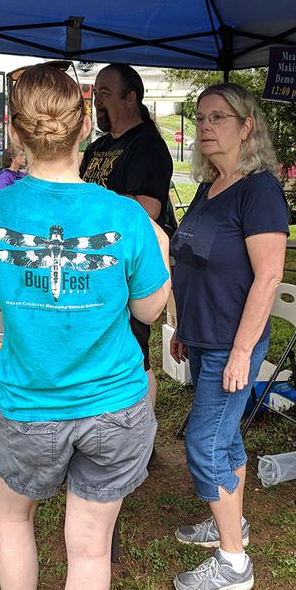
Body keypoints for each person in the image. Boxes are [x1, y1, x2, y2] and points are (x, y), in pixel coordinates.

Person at [0, 63, 171, 590]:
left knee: (14, 521)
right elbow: (152, 312)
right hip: (114, 406)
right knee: (89, 549)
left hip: (29, 404)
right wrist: (162, 253)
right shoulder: (126, 217)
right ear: (83, 127)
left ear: (14, 129)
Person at [168, 83, 288, 590]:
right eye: (200, 119)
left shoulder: (258, 190)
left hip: (232, 343)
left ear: (247, 126)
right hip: (204, 336)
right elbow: (194, 261)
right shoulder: (210, 187)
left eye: (219, 117)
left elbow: (268, 278)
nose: (206, 127)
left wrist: (241, 353)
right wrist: (182, 330)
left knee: (205, 443)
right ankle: (230, 526)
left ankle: (234, 563)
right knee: (227, 437)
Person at [80, 63, 176, 406]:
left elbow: (147, 208)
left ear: (130, 98)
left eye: (104, 93)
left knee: (136, 349)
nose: (96, 102)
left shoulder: (147, 145)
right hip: (92, 262)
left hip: (129, 265)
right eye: (94, 95)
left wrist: (91, 200)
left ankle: (142, 434)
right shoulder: (98, 147)